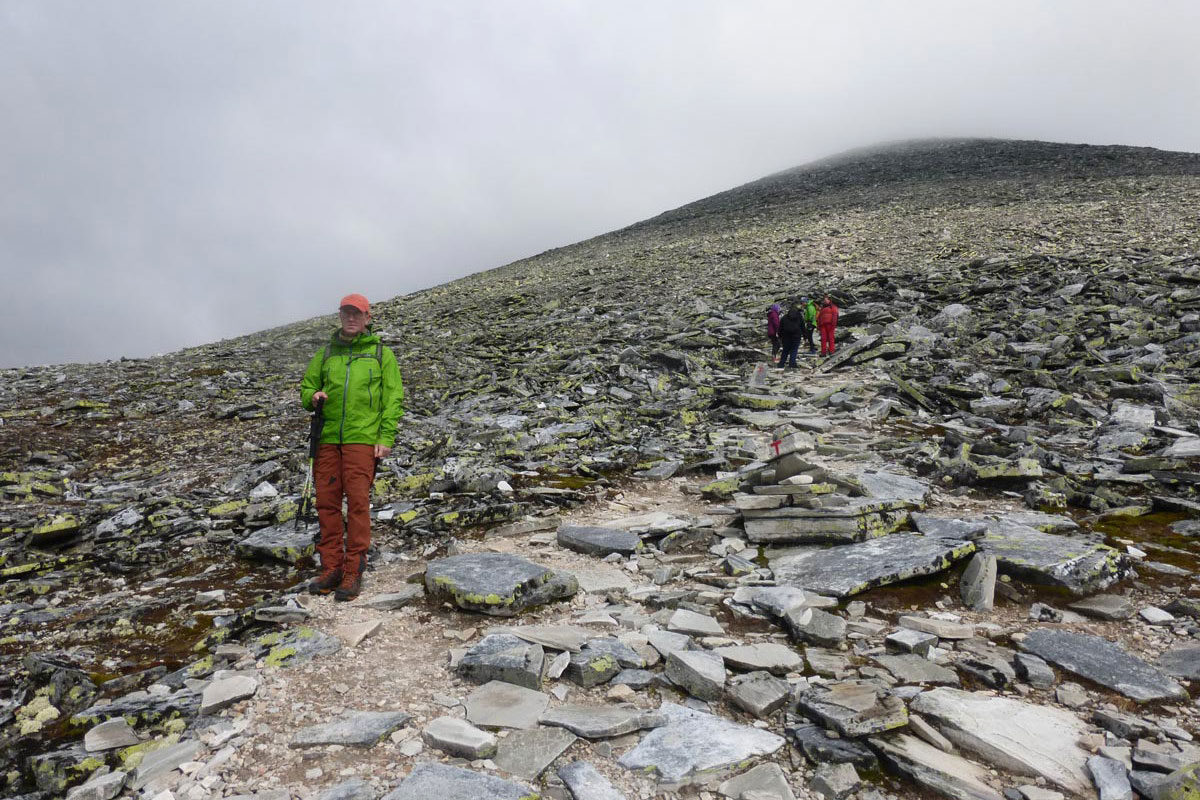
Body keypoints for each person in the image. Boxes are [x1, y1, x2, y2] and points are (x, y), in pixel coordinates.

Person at [300, 293, 404, 601]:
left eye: (357, 314)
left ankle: (353, 569)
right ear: (340, 315)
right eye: (346, 313)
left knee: (357, 502)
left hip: (362, 438)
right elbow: (307, 387)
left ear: (367, 318)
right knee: (327, 503)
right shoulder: (327, 353)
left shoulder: (381, 354)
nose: (351, 318)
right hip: (328, 438)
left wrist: (385, 438)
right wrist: (313, 396)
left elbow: (392, 398)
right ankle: (331, 566)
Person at [777, 302, 806, 368]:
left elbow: (780, 327)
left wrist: (779, 336)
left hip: (786, 336)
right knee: (794, 350)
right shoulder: (799, 317)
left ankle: (781, 363)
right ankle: (792, 363)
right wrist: (805, 336)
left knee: (785, 350)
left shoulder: (784, 317)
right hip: (796, 336)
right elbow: (803, 326)